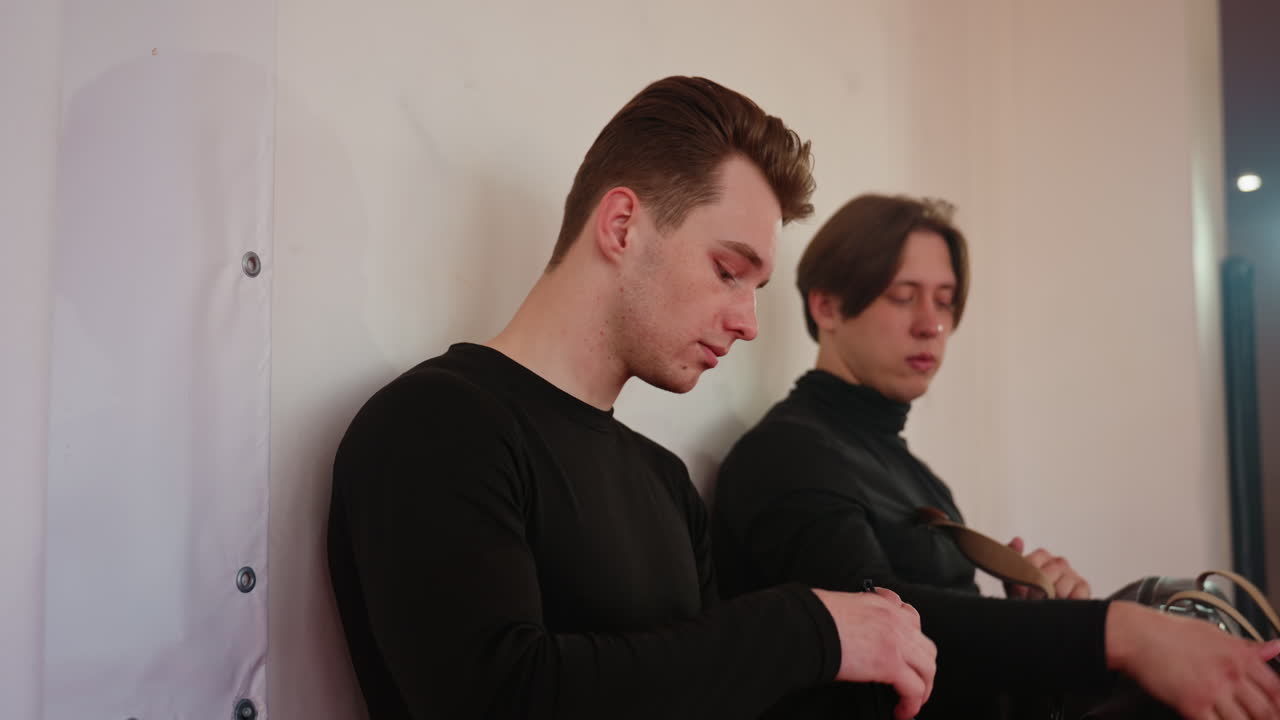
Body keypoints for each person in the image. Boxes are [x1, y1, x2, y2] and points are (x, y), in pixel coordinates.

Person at [327, 77, 937, 720]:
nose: (748, 322)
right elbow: (498, 697)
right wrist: (803, 628)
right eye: (729, 272)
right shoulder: (435, 425)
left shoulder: (666, 483)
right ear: (622, 226)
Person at [712, 193, 1280, 718]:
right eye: (903, 296)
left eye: (945, 301)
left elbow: (952, 665)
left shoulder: (916, 476)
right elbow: (873, 626)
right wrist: (1119, 632)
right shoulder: (785, 455)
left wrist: (1035, 612)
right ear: (828, 307)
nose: (931, 324)